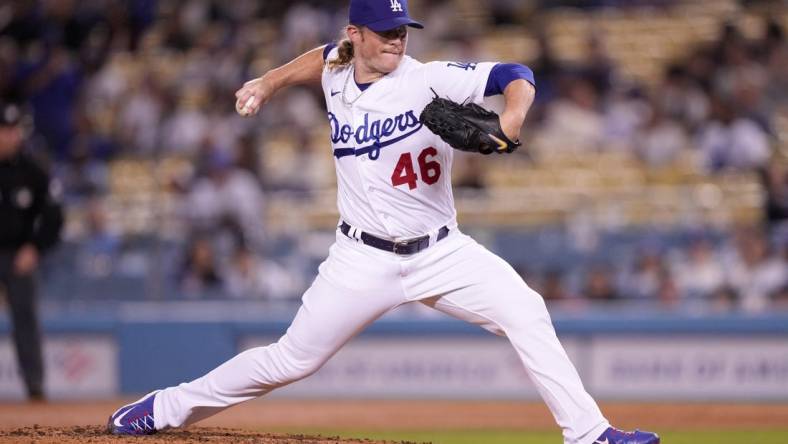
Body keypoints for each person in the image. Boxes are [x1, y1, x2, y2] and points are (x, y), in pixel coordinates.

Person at [107, 2, 659, 443]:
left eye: (403, 30)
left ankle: (589, 435)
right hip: (361, 257)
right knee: (289, 361)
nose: (397, 39)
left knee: (527, 310)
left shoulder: (429, 79)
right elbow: (318, 57)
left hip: (441, 252)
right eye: (386, 31)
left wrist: (512, 118)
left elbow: (517, 73)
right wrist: (267, 83)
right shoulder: (337, 70)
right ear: (358, 35)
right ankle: (164, 407)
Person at [0, 101, 64, 401]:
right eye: (5, 130)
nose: (10, 136)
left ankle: (35, 388)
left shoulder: (32, 170)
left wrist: (35, 248)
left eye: (14, 130)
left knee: (26, 320)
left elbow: (54, 214)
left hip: (18, 257)